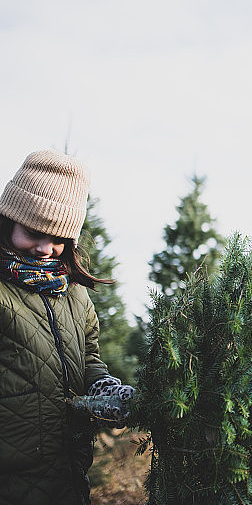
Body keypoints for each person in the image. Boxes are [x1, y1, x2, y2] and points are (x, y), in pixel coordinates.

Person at [0, 151, 134, 505]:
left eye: (58, 238)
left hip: (68, 472)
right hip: (10, 478)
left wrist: (107, 389)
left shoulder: (75, 297)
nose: (46, 249)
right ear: (7, 222)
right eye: (32, 233)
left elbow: (88, 359)